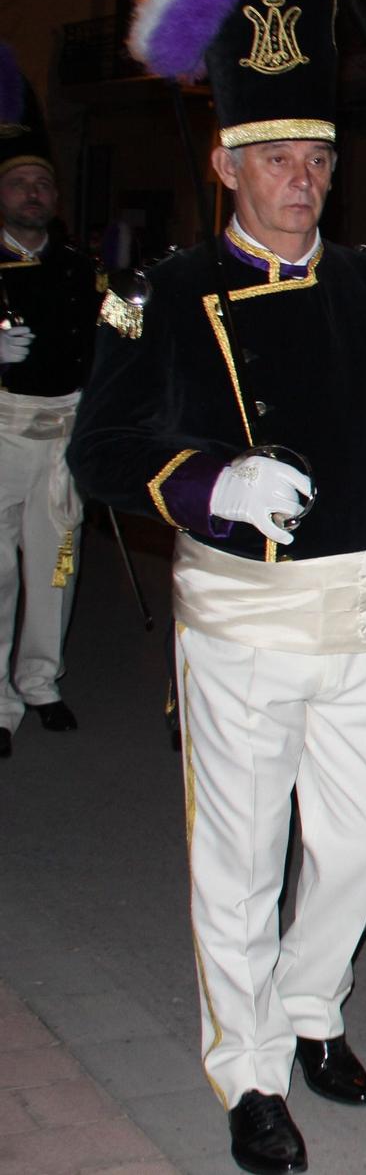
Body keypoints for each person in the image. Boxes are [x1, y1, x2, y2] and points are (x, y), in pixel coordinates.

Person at [70, 0, 366, 1173]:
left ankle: (309, 1003)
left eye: (319, 155)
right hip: (241, 618)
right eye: (278, 156)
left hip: (362, 613)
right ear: (228, 161)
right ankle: (250, 1068)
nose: (303, 176)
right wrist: (206, 479)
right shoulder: (166, 293)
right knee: (238, 855)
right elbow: (103, 445)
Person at [0, 45, 101, 753]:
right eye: (20, 185)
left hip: (63, 434)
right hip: (1, 431)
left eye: (43, 184)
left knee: (55, 566)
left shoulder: (76, 267)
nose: (34, 194)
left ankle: (41, 681)